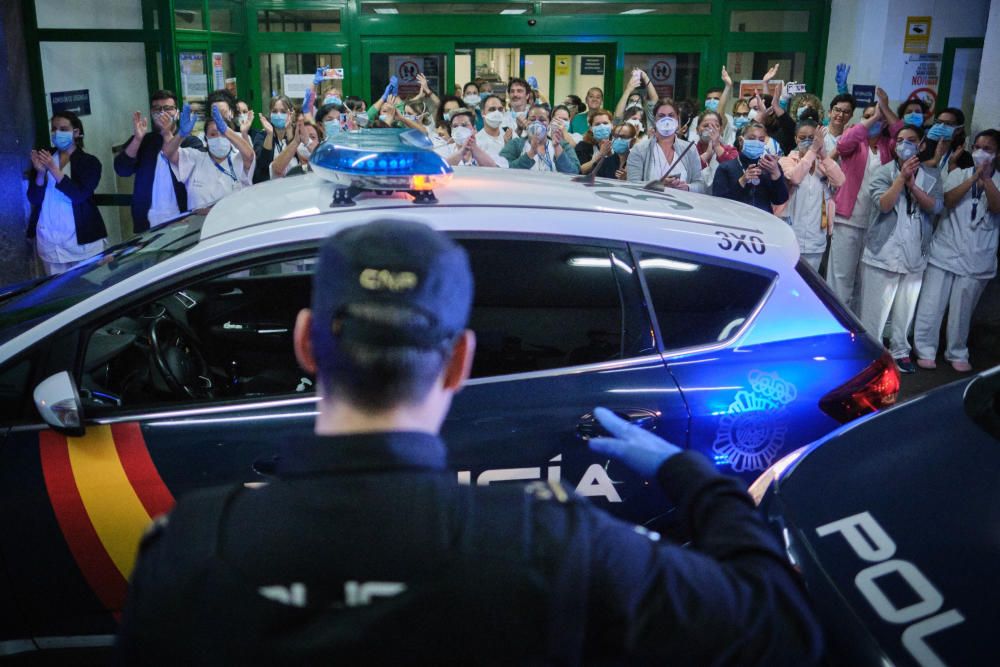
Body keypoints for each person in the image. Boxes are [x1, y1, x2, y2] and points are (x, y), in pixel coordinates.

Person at [116, 219, 824, 665]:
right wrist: (690, 475)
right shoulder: (555, 544)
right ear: (459, 361)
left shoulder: (182, 549)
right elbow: (781, 623)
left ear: (306, 343)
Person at [858, 124, 943, 374]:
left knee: (906, 308)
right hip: (883, 250)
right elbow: (883, 205)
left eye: (912, 140)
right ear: (894, 146)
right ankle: (871, 354)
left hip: (915, 250)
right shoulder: (883, 172)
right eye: (901, 140)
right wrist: (900, 179)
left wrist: (914, 186)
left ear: (922, 144)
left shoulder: (932, 174)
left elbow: (936, 208)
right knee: (875, 310)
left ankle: (900, 350)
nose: (905, 144)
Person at [913, 129, 1000, 372]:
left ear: (997, 154)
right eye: (979, 146)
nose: (982, 152)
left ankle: (957, 351)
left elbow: (996, 207)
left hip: (977, 256)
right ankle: (925, 349)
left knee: (962, 310)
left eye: (989, 149)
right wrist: (973, 179)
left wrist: (988, 180)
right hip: (945, 251)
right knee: (931, 305)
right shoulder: (957, 174)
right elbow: (947, 201)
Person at [827, 103, 895, 311]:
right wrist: (873, 118)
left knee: (864, 279)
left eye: (878, 117)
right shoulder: (855, 141)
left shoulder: (889, 146)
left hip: (875, 222)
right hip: (848, 218)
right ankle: (836, 319)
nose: (873, 119)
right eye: (867, 116)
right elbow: (843, 144)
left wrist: (887, 116)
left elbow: (902, 132)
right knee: (841, 275)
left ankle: (856, 323)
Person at [26, 110, 107, 275]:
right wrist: (41, 172)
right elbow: (34, 198)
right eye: (54, 129)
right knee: (58, 293)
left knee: (90, 291)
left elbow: (78, 195)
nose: (57, 133)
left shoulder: (90, 162)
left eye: (63, 129)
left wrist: (53, 169)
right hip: (50, 244)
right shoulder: (45, 157)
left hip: (83, 243)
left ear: (76, 133)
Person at [113, 90, 190, 233]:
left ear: (177, 113)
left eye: (168, 109)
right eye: (157, 109)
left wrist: (168, 133)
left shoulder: (188, 141)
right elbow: (122, 170)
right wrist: (137, 139)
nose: (162, 113)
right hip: (147, 222)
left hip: (182, 218)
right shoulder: (144, 140)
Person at [163, 103, 255, 213]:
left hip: (234, 224)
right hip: (200, 225)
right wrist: (181, 135)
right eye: (213, 134)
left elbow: (250, 155)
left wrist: (226, 130)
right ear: (206, 138)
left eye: (222, 133)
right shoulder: (195, 158)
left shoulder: (237, 158)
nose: (219, 138)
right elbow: (168, 153)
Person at [778, 122, 845, 271]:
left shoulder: (824, 164)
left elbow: (840, 181)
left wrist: (823, 156)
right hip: (791, 233)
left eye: (812, 138)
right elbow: (795, 178)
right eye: (803, 138)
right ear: (796, 139)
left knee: (810, 285)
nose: (808, 141)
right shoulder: (786, 161)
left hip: (816, 237)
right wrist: (813, 150)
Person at [627, 99, 706, 192]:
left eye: (671, 115)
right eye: (661, 116)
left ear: (677, 119)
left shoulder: (690, 149)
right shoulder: (639, 150)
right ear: (655, 120)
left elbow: (700, 185)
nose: (666, 120)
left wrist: (688, 187)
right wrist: (658, 184)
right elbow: (632, 185)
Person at [712, 122, 789, 212]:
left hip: (762, 222)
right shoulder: (726, 168)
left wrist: (776, 174)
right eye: (752, 139)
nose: (757, 142)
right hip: (734, 221)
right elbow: (719, 202)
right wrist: (742, 181)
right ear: (741, 141)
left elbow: (780, 200)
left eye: (761, 140)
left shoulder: (770, 167)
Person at [498, 104, 580, 174]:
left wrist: (557, 147)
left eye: (542, 120)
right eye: (532, 119)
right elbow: (502, 169)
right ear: (526, 122)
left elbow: (574, 172)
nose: (537, 123)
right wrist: (531, 153)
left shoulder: (563, 145)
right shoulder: (515, 144)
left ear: (549, 124)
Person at [253, 94, 297, 184]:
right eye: (275, 111)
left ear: (291, 113)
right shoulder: (261, 135)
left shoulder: (297, 134)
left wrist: (289, 130)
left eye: (283, 111)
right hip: (268, 188)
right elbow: (263, 164)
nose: (279, 115)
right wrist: (270, 134)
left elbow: (298, 156)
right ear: (270, 113)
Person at [694, 110, 739, 190]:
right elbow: (689, 174)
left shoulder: (731, 151)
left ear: (721, 130)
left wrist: (717, 147)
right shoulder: (690, 150)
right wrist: (706, 156)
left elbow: (735, 172)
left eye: (715, 126)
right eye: (705, 126)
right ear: (697, 130)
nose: (710, 130)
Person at [575, 109, 620, 178]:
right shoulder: (583, 146)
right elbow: (580, 170)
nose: (602, 126)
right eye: (597, 124)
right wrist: (600, 155)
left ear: (612, 125)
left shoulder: (617, 146)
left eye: (605, 123)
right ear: (591, 128)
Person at [475, 94, 510, 162]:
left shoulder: (510, 134)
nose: (497, 112)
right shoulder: (476, 141)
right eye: (492, 109)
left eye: (500, 109)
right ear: (483, 113)